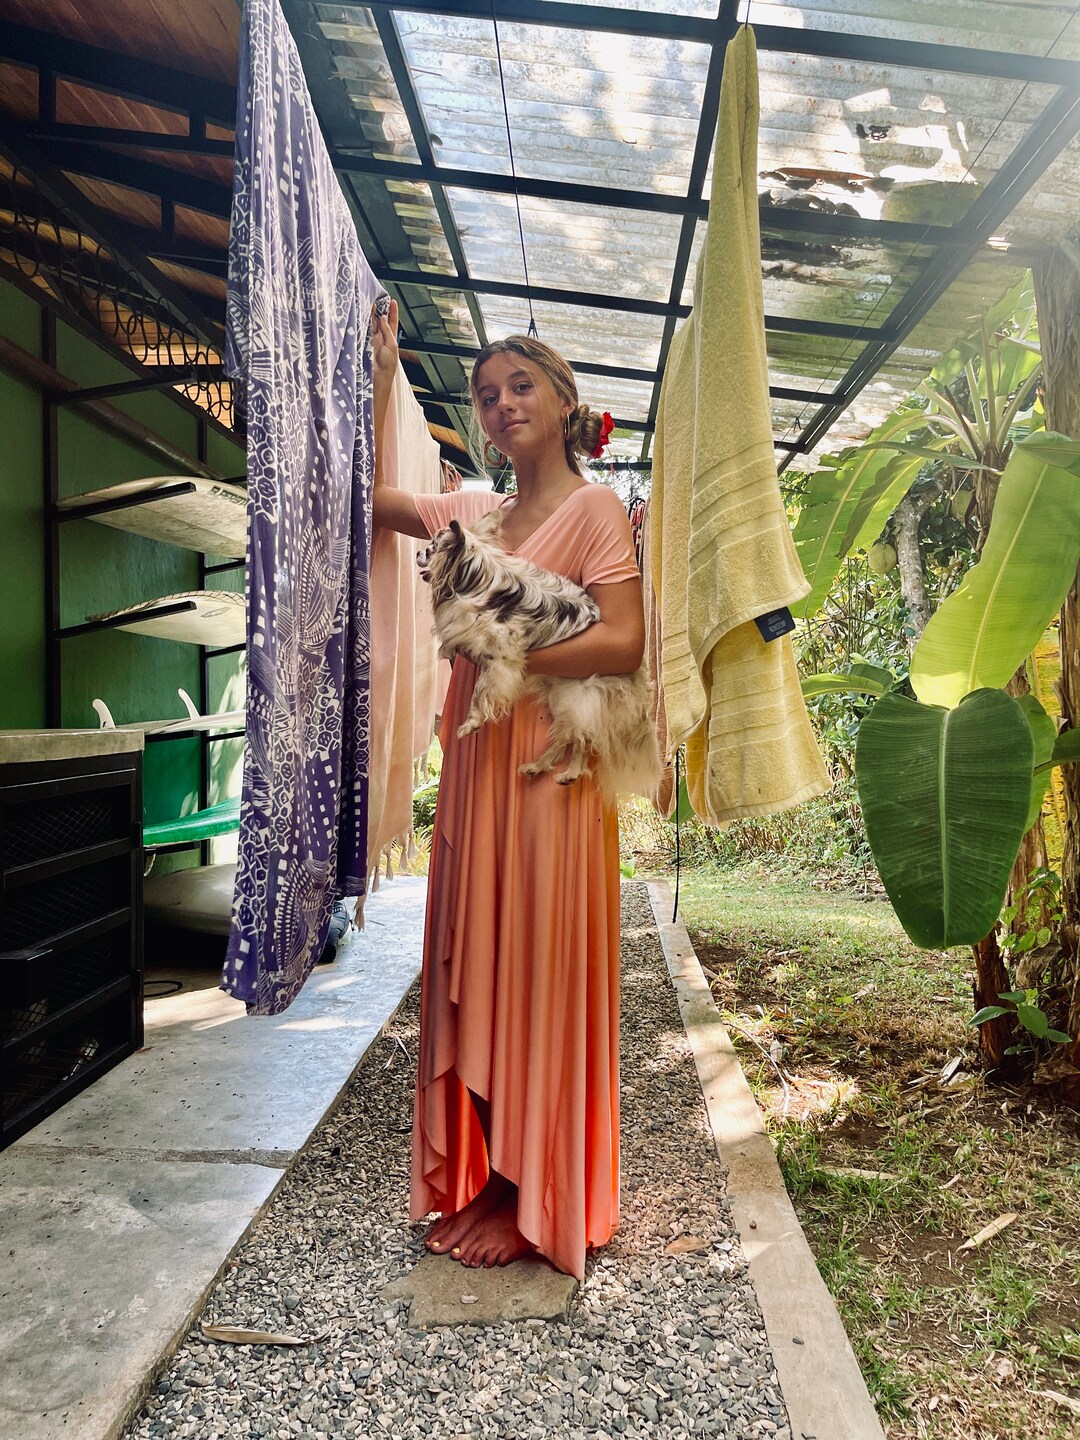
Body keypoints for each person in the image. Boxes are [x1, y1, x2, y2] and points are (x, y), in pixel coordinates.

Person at [370, 299, 645, 1279]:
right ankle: (492, 1176)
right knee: (475, 964)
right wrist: (383, 378)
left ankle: (536, 1191)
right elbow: (375, 501)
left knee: (535, 965)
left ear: (564, 400)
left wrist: (504, 643)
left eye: (520, 386)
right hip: (478, 770)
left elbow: (624, 641)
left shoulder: (596, 510)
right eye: (486, 396)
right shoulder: (475, 515)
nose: (501, 405)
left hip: (551, 776)